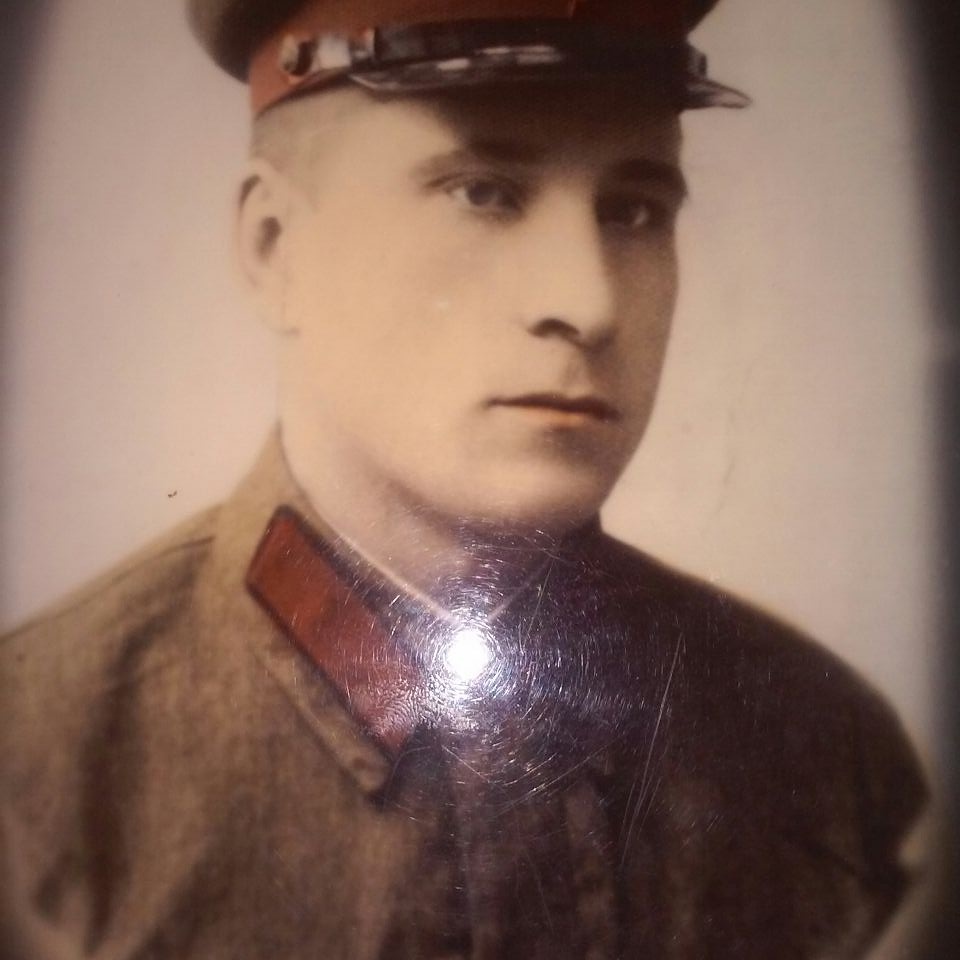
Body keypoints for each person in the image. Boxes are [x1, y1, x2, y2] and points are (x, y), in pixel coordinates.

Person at [0, 1, 928, 958]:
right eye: (484, 193)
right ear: (275, 247)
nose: (588, 301)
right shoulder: (38, 779)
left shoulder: (831, 757)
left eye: (633, 209)